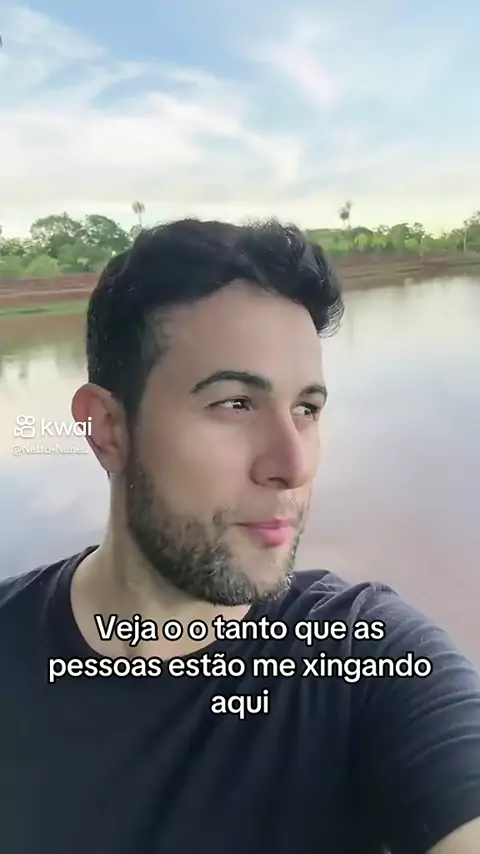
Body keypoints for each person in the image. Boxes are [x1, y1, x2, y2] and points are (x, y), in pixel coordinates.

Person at [1, 219, 480, 854]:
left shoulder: (367, 659)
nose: (294, 464)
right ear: (109, 429)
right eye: (235, 404)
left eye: (306, 409)